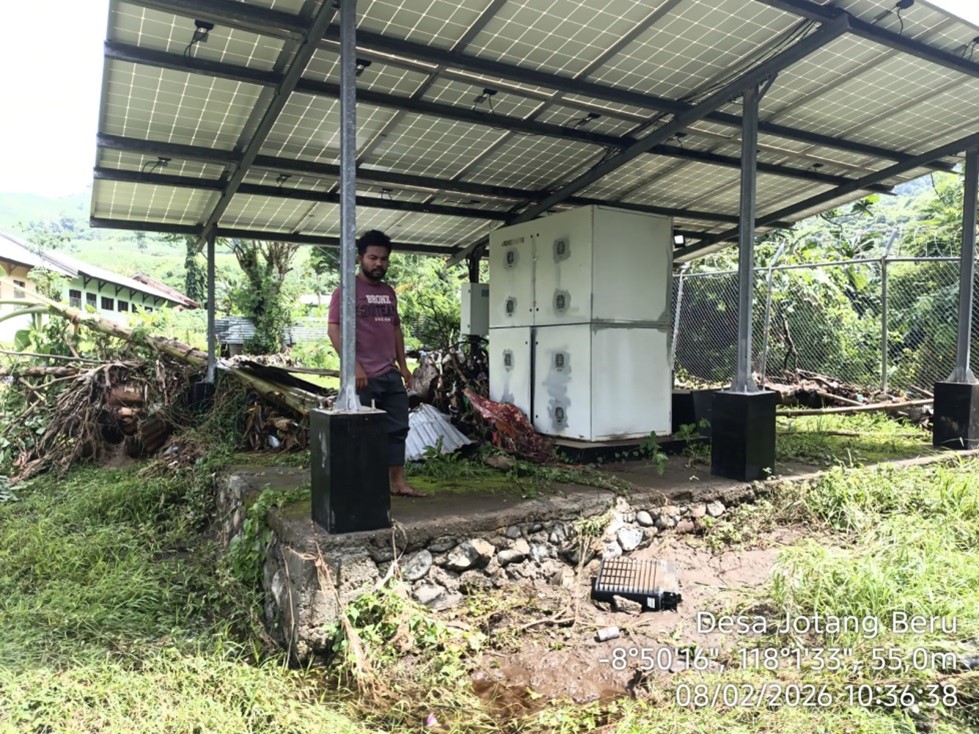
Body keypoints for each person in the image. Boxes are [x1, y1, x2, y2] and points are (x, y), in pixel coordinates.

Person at [327, 229, 425, 497]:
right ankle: (361, 487)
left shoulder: (389, 293)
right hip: (361, 376)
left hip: (389, 373)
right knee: (359, 432)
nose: (378, 263)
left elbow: (395, 330)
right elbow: (334, 330)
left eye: (383, 259)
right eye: (373, 257)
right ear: (360, 258)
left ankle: (398, 483)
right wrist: (353, 366)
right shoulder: (345, 290)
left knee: (398, 428)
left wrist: (403, 366)